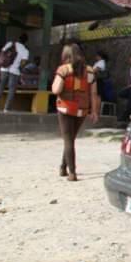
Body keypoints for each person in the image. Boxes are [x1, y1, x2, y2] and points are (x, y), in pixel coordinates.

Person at [51, 44, 98, 181]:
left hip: (65, 108)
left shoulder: (64, 69)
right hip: (82, 109)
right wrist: (94, 111)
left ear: (66, 56)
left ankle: (72, 173)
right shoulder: (90, 71)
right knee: (70, 139)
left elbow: (56, 90)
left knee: (68, 140)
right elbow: (93, 93)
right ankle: (63, 167)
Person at [0, 33, 29, 112]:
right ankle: (7, 108)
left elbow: (2, 52)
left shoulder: (10, 43)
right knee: (11, 89)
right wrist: (19, 67)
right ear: (26, 41)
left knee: (2, 82)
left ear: (18, 38)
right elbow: (23, 62)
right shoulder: (25, 50)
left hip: (4, 68)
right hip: (14, 71)